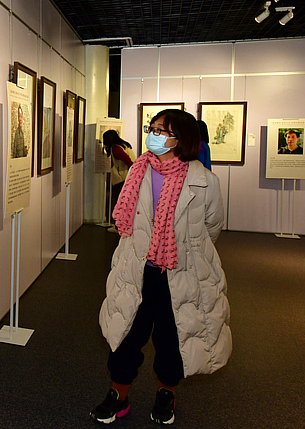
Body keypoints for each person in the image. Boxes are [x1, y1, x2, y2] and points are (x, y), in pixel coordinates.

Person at [92, 109, 230, 425]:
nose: (153, 134)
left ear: (182, 139)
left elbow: (212, 228)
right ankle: (118, 395)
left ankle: (166, 392)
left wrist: (178, 248)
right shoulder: (137, 172)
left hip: (180, 273)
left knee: (173, 337)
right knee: (127, 332)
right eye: (152, 128)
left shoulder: (205, 181)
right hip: (138, 271)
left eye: (161, 130)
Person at [102, 129, 135, 233]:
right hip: (127, 177)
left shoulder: (116, 148)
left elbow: (127, 160)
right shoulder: (125, 145)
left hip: (121, 178)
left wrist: (131, 168)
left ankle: (118, 227)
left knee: (118, 202)